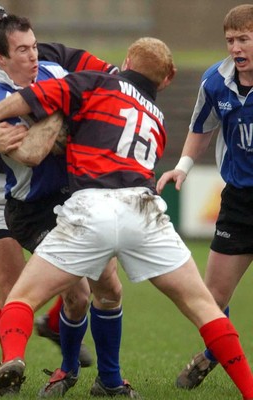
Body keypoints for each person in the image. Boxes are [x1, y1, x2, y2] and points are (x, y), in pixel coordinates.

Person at [0, 36, 253, 399]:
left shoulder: (95, 82)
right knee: (203, 306)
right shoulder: (157, 117)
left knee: (21, 300)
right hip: (144, 209)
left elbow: (31, 99)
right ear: (168, 79)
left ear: (127, 61)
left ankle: (13, 359)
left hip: (91, 208)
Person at [0, 2, 118, 367]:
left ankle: (83, 368)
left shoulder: (48, 58)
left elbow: (103, 76)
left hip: (60, 190)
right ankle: (10, 365)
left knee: (96, 281)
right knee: (17, 292)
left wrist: (119, 82)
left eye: (1, 28)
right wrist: (63, 110)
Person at [156, 4, 253, 390]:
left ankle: (213, 355)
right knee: (211, 297)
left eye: (243, 39)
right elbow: (201, 128)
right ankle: (216, 352)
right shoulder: (216, 80)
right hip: (239, 202)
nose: (235, 48)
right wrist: (182, 166)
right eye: (230, 40)